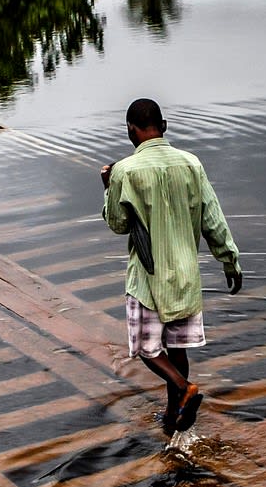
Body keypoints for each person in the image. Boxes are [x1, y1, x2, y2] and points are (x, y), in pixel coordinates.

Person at [100, 98, 242, 436]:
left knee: (146, 349)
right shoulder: (191, 163)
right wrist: (230, 260)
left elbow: (118, 224)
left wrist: (108, 189)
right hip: (185, 274)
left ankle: (184, 388)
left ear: (130, 131)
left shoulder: (124, 171)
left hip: (148, 278)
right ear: (163, 127)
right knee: (177, 348)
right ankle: (172, 414)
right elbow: (212, 218)